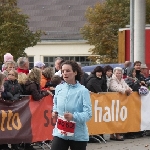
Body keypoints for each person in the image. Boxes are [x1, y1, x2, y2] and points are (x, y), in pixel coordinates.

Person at [51, 60, 92, 150]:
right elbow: (55, 104)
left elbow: (88, 114)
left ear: (75, 72)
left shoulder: (83, 91)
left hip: (78, 135)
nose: (65, 73)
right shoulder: (59, 88)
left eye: (68, 71)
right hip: (60, 133)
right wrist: (55, 111)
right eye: (63, 71)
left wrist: (73, 116)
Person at [109, 67, 132, 141]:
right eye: (117, 73)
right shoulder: (112, 80)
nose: (118, 74)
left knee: (117, 117)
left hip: (120, 102)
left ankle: (113, 134)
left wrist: (129, 90)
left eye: (120, 73)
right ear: (114, 73)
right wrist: (125, 90)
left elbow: (128, 87)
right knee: (114, 118)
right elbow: (115, 88)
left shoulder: (122, 80)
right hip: (113, 101)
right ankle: (115, 134)